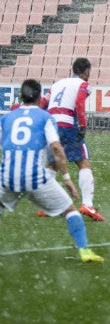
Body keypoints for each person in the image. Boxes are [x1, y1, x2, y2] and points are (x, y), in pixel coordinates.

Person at [0, 79, 103, 262]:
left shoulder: (7, 118)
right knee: (71, 211)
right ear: (40, 97)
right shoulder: (45, 117)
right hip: (35, 178)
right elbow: (56, 148)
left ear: (21, 96)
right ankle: (85, 252)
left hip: (7, 177)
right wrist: (67, 179)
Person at [40, 57, 106, 221]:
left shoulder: (57, 84)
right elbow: (79, 103)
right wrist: (82, 125)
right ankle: (87, 205)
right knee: (83, 162)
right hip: (68, 125)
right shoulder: (83, 84)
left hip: (51, 125)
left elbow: (43, 104)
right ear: (86, 71)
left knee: (53, 164)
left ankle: (46, 206)